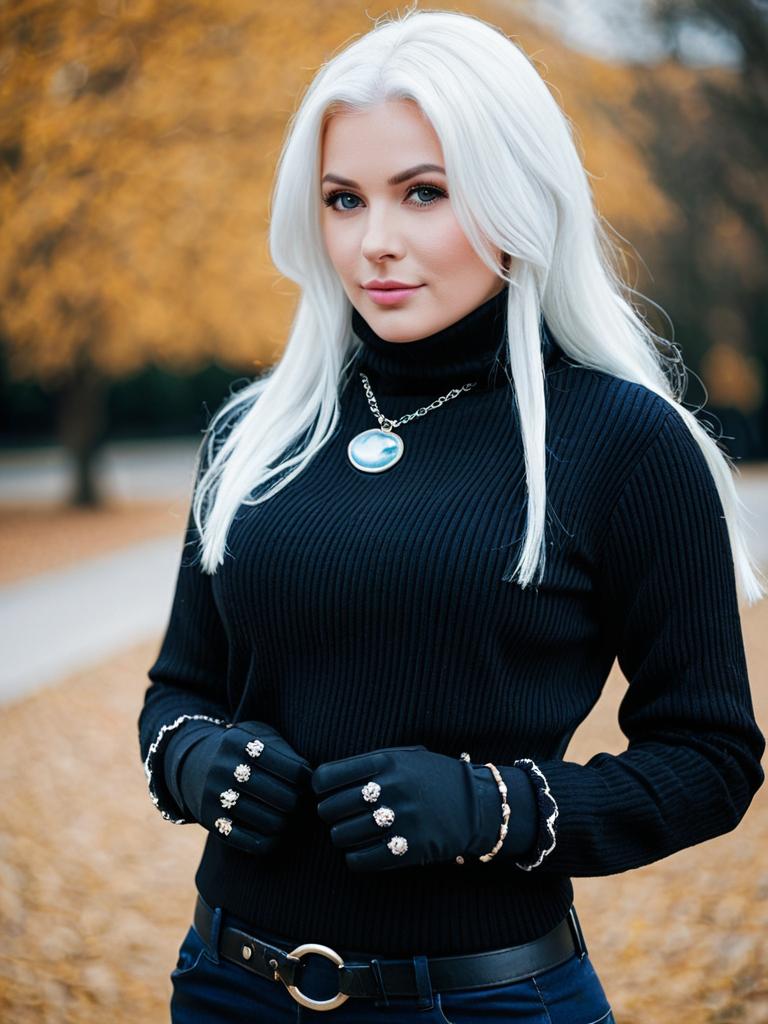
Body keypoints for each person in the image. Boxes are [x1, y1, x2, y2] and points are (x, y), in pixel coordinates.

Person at [137, 9, 766, 1023]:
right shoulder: (255, 432)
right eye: (344, 199)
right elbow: (180, 687)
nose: (374, 242)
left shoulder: (623, 443)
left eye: (423, 193)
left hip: (486, 1000)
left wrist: (496, 808)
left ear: (517, 194)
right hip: (227, 985)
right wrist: (195, 758)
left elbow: (711, 760)